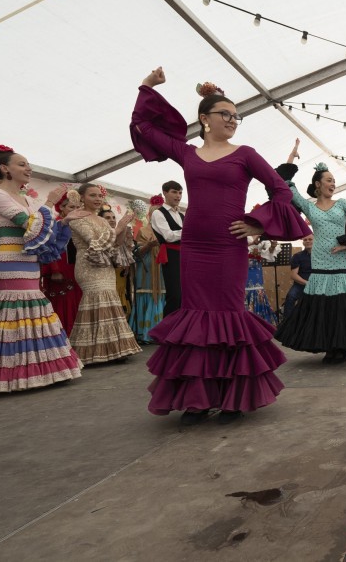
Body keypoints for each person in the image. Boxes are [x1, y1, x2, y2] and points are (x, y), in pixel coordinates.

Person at [130, 69, 311, 423]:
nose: (232, 120)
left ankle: (230, 397)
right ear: (204, 119)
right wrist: (147, 88)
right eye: (225, 114)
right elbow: (144, 129)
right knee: (196, 318)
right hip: (194, 245)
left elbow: (281, 189)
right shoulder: (188, 154)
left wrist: (256, 222)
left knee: (228, 316)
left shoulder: (245, 153)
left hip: (229, 246)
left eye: (235, 116)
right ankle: (197, 398)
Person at [0, 146, 83, 393]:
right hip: (9, 258)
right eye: (22, 164)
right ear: (5, 168)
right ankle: (9, 376)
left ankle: (39, 372)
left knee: (32, 312)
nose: (29, 169)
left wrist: (65, 221)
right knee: (14, 314)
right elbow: (29, 225)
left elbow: (42, 231)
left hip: (29, 260)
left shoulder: (26, 199)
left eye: (28, 164)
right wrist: (49, 202)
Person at [273, 145, 346, 364]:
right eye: (328, 180)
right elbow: (285, 185)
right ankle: (328, 346)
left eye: (334, 180)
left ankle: (342, 346)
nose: (333, 184)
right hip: (320, 262)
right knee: (322, 308)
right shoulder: (309, 207)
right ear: (318, 184)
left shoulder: (342, 203)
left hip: (341, 261)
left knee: (342, 308)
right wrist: (291, 157)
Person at [67, 183, 141, 365]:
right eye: (93, 195)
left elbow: (115, 244)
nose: (98, 199)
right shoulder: (76, 218)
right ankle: (92, 352)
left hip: (105, 266)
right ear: (81, 197)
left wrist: (123, 228)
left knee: (110, 301)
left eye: (100, 196)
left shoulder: (100, 220)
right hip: (88, 266)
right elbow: (94, 242)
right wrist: (118, 227)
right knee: (99, 299)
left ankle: (114, 351)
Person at [40, 189, 83, 337]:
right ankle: (62, 337)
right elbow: (48, 247)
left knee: (76, 302)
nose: (75, 211)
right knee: (63, 303)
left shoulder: (80, 226)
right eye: (71, 207)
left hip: (76, 269)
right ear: (62, 208)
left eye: (78, 207)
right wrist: (55, 270)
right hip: (61, 269)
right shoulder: (56, 224)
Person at [128, 197, 165, 343]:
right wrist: (149, 245)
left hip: (163, 268)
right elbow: (135, 255)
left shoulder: (168, 230)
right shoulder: (143, 230)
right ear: (150, 215)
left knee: (165, 294)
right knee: (146, 294)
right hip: (147, 269)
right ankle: (145, 332)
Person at [152, 180, 185, 317]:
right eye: (174, 192)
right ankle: (167, 332)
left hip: (185, 256)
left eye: (180, 193)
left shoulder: (181, 215)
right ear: (165, 193)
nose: (178, 196)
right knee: (174, 295)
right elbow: (169, 236)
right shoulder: (158, 213)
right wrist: (190, 231)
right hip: (171, 255)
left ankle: (182, 331)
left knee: (185, 295)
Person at [244, 236, 278, 325]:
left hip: (256, 268)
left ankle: (259, 323)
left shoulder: (263, 234)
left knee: (258, 291)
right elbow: (233, 247)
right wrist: (252, 243)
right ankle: (245, 323)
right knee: (243, 291)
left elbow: (269, 253)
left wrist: (273, 246)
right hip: (241, 266)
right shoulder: (243, 231)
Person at [282, 235, 313, 320]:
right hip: (300, 284)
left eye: (310, 239)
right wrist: (307, 283)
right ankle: (287, 324)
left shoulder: (321, 256)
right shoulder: (297, 256)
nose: (307, 241)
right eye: (305, 239)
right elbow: (294, 275)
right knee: (290, 297)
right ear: (303, 242)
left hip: (317, 284)